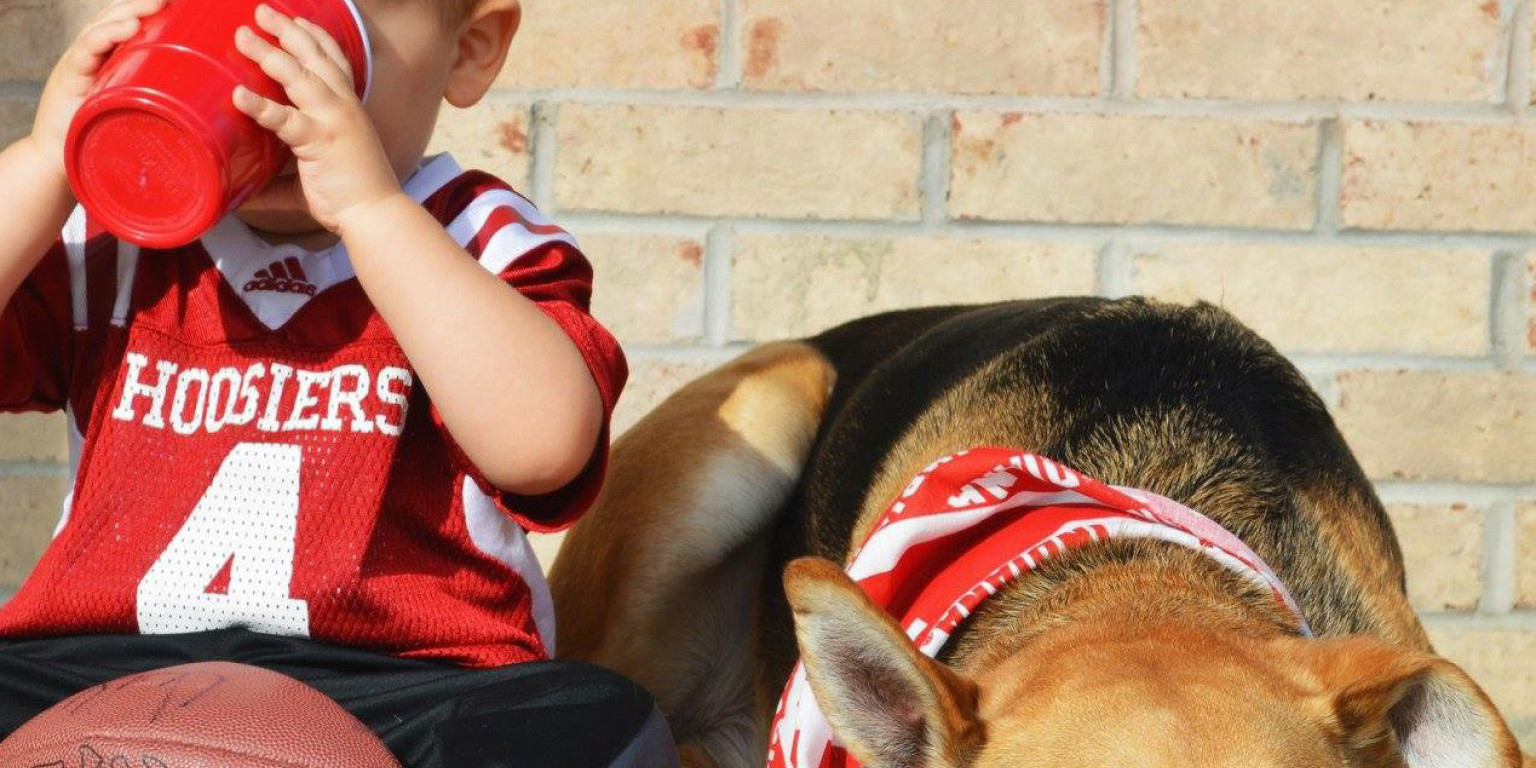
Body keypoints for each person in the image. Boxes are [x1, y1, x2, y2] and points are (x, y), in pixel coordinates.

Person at [0, 0, 675, 766]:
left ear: (470, 50)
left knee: (592, 722)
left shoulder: (477, 238)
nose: (277, 56)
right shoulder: (110, 237)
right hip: (96, 664)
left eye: (326, 16)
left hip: (398, 681)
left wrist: (371, 209)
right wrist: (45, 160)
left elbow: (542, 449)